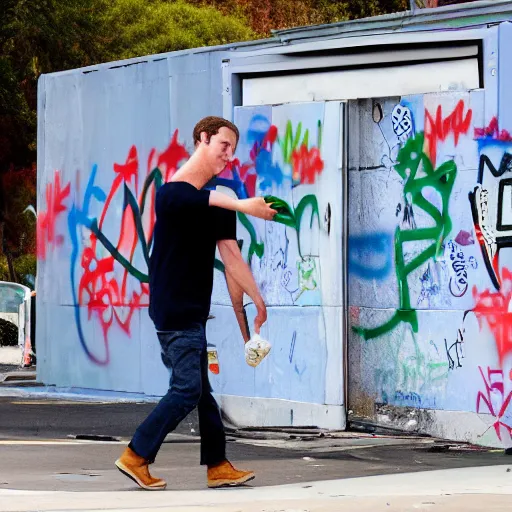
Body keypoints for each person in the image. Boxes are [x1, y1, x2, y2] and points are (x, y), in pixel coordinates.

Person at [115, 116, 276, 491]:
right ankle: (136, 455)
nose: (229, 156)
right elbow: (197, 199)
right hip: (174, 310)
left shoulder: (219, 199)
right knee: (187, 389)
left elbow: (231, 257)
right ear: (202, 139)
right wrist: (246, 206)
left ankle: (218, 465)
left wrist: (254, 303)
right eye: (223, 146)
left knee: (202, 391)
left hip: (194, 310)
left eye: (233, 150)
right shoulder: (171, 194)